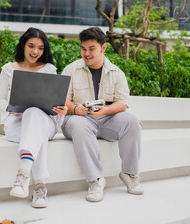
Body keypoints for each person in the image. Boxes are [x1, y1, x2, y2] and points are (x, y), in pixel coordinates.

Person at [61, 27, 143, 202]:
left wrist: (106, 110)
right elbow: (62, 100)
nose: (86, 53)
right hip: (78, 119)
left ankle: (130, 173)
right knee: (78, 124)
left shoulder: (116, 73)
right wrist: (75, 109)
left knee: (132, 122)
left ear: (103, 48)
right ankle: (96, 179)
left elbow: (123, 102)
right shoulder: (71, 70)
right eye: (83, 49)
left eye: (91, 49)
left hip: (106, 120)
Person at [0, 27, 67, 208]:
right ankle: (40, 187)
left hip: (45, 121)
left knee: (34, 112)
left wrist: (62, 110)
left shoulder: (49, 69)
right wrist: (12, 108)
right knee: (35, 130)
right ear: (23, 45)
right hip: (16, 123)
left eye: (40, 48)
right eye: (31, 46)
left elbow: (55, 101)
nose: (35, 52)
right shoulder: (8, 69)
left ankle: (23, 175)